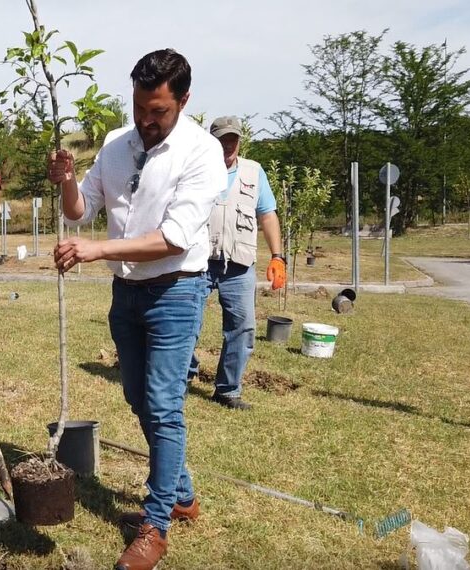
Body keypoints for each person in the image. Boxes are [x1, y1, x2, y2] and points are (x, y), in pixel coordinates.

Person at [47, 49, 225, 570]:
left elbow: (172, 239)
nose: (146, 121)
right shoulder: (115, 145)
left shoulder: (202, 151)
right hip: (126, 294)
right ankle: (181, 494)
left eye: (159, 112)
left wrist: (97, 251)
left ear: (184, 101)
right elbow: (81, 210)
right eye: (140, 107)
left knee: (164, 403)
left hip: (176, 291)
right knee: (137, 396)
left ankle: (156, 524)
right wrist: (65, 180)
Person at [189, 116, 286, 410]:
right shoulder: (197, 169)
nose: (227, 145)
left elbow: (267, 214)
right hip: (198, 263)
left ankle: (228, 390)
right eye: (221, 139)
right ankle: (182, 379)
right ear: (212, 141)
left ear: (239, 141)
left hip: (239, 265)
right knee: (186, 323)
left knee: (242, 327)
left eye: (232, 139)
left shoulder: (254, 172)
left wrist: (277, 256)